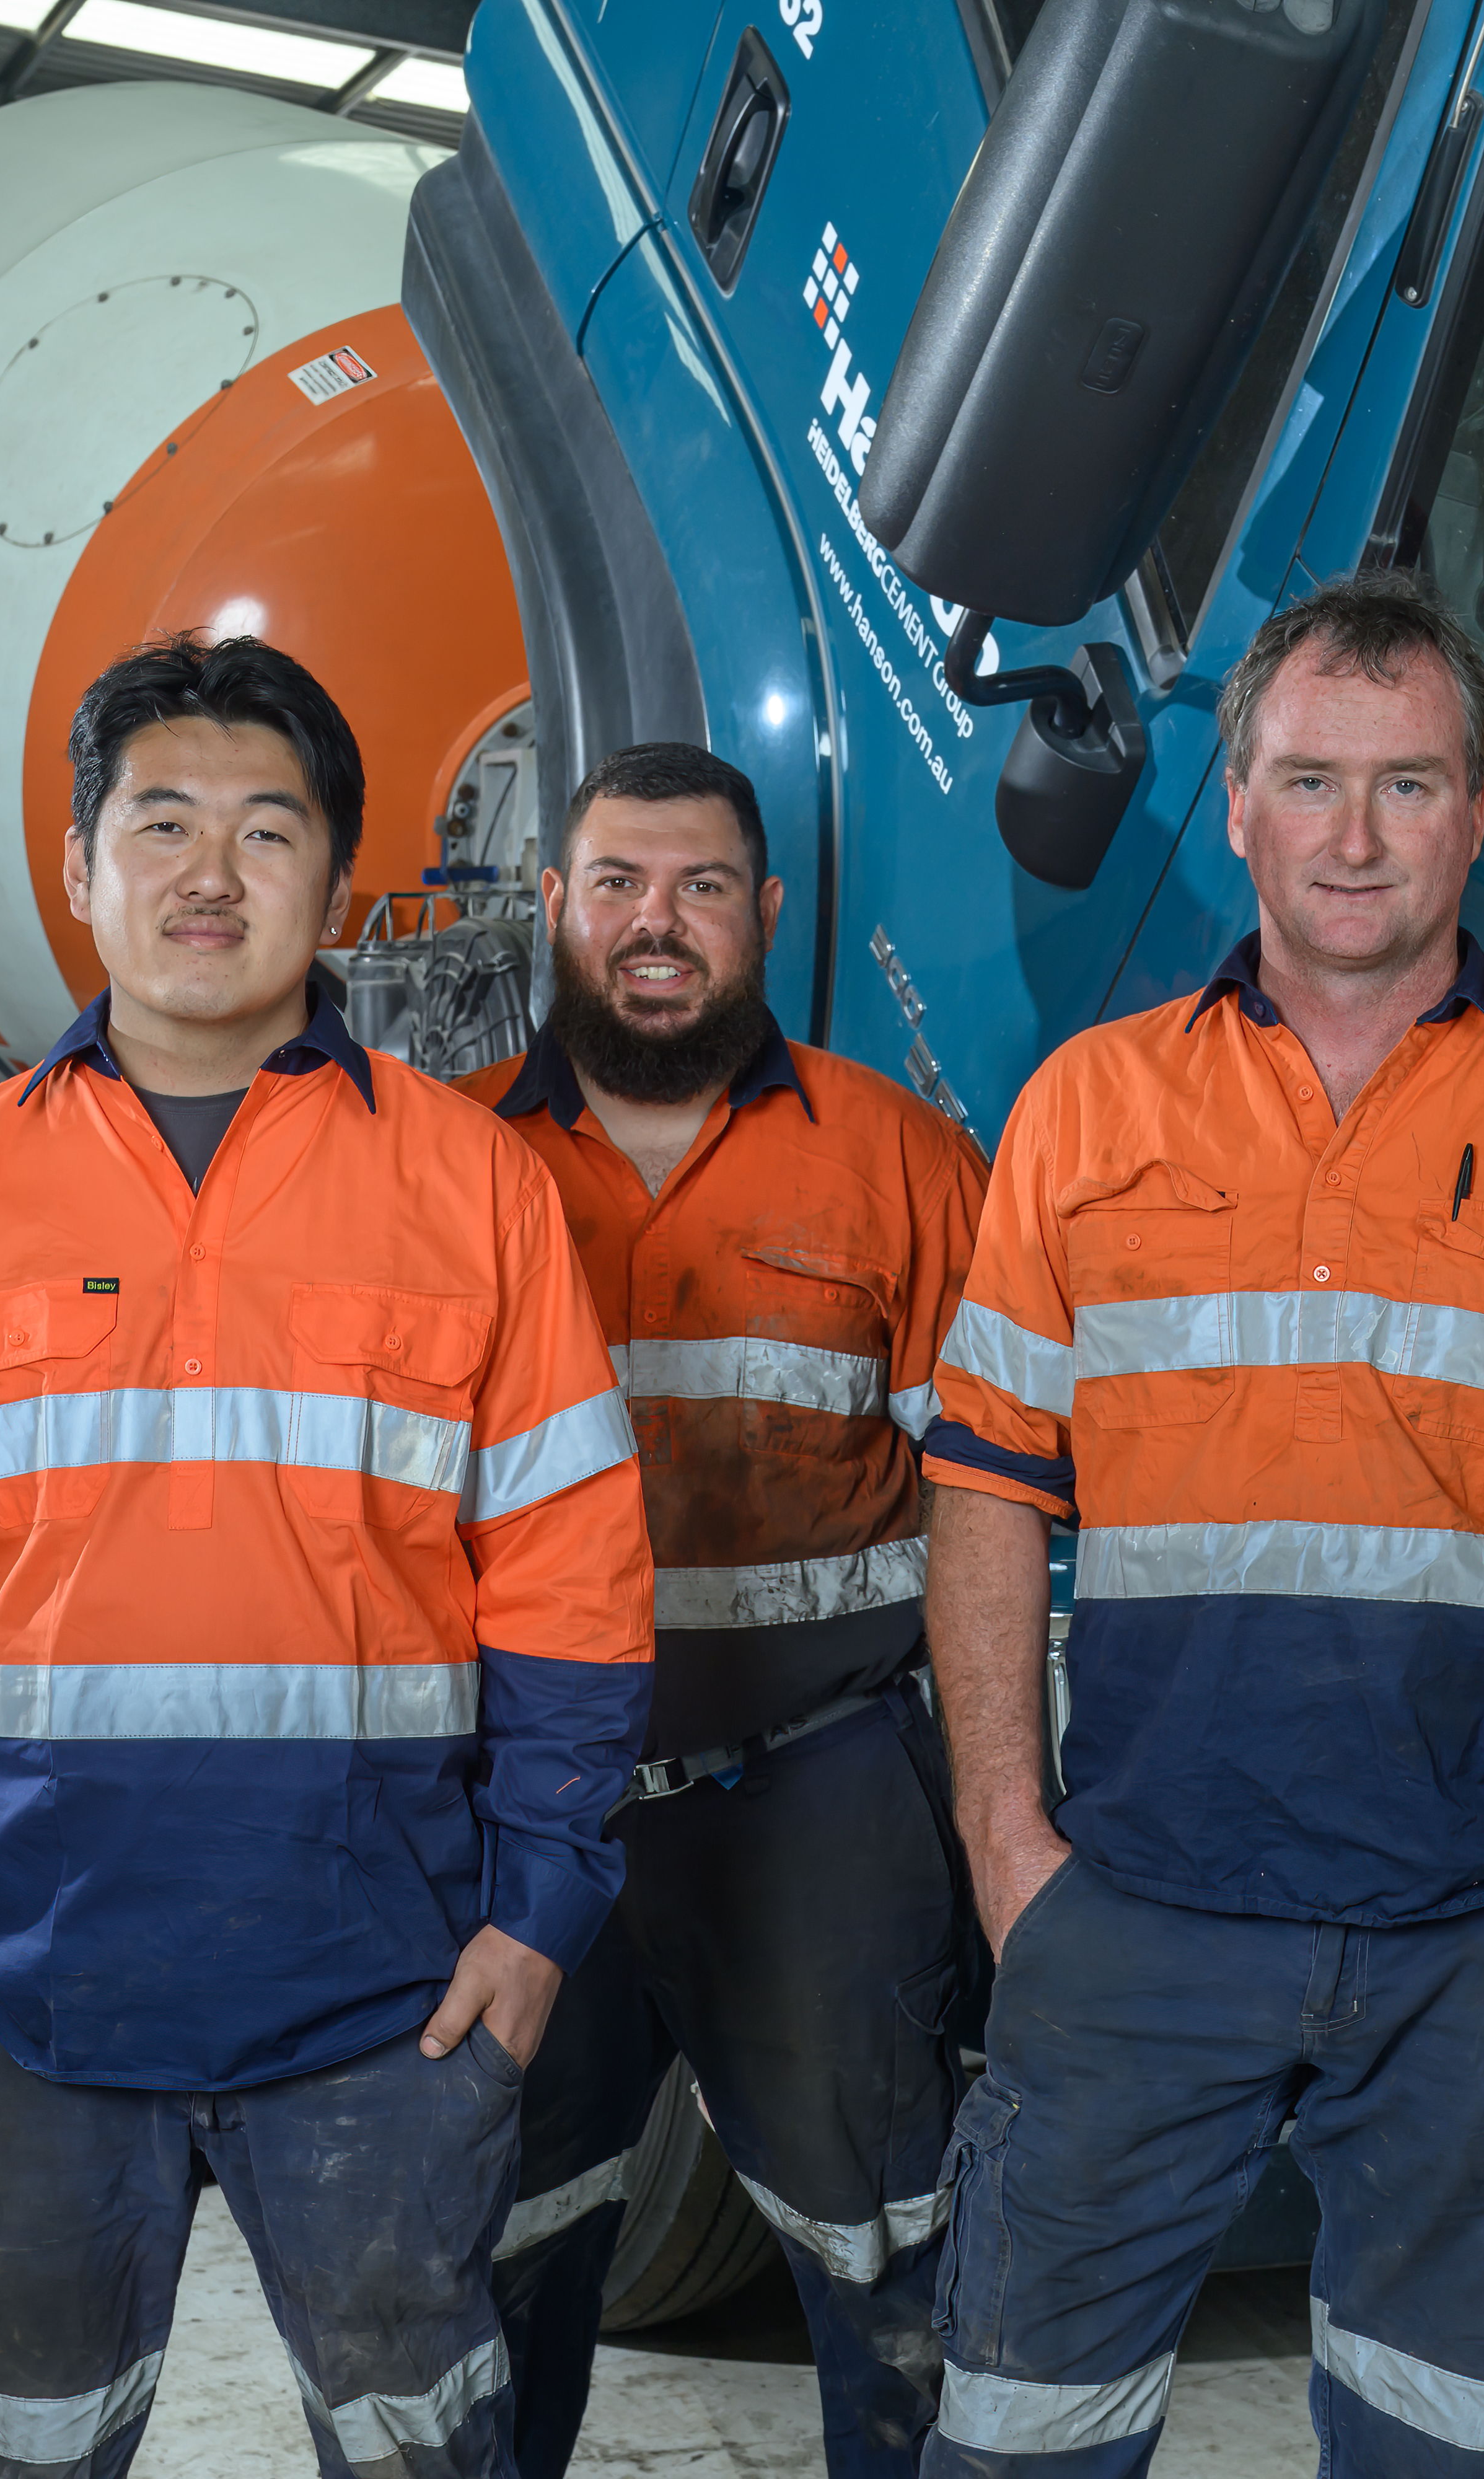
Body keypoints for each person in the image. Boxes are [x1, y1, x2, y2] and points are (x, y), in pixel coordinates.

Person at [913, 568, 1484, 2478]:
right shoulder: (1085, 1111)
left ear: (1481, 812)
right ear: (1232, 802)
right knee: (1016, 2444)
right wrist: (1006, 1839)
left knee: (1439, 2457)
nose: (1355, 835)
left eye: (1410, 786)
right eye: (1311, 780)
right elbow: (984, 1487)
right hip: (1139, 1914)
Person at [0, 634, 656, 2479]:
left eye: (268, 833)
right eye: (160, 824)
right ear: (84, 868)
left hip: (390, 1995)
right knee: (22, 2447)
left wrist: (542, 1915)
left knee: (428, 2446)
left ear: (338, 886)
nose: (209, 875)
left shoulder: (471, 1182)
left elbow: (572, 1569)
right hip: (20, 1993)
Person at [460, 744, 988, 2479]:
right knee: (497, 2262)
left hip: (819, 1799)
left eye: (698, 889)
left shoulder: (895, 1159)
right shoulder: (443, 1166)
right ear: (553, 907)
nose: (655, 926)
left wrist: (1005, 1806)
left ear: (763, 915)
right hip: (520, 1813)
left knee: (883, 2266)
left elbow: (991, 1513)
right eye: (616, 884)